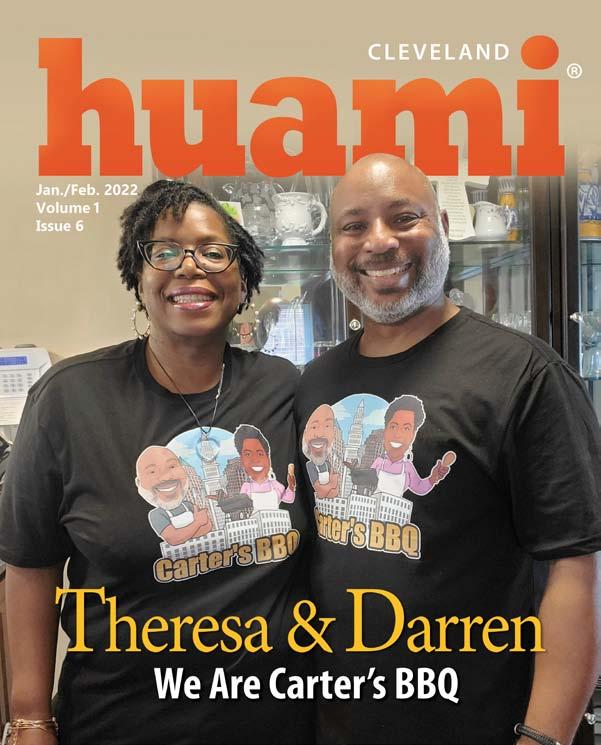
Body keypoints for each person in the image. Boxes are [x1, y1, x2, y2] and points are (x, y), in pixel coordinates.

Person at [295, 154, 601, 745]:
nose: (379, 242)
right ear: (333, 248)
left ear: (444, 226)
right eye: (354, 225)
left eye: (403, 218)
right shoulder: (316, 384)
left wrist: (543, 738)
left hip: (483, 724)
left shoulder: (524, 374)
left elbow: (576, 567)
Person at [0, 180, 312, 745]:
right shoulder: (69, 398)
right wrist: (28, 718)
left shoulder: (283, 389)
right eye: (165, 252)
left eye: (213, 252)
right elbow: (29, 567)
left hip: (272, 722)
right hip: (120, 721)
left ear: (242, 280)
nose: (190, 267)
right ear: (138, 278)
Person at [233, 424, 295, 512]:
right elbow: (241, 506)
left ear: (268, 458)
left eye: (260, 454)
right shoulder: (246, 487)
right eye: (248, 454)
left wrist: (291, 486)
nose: (255, 460)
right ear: (242, 460)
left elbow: (289, 499)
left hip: (276, 519)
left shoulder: (275, 485)